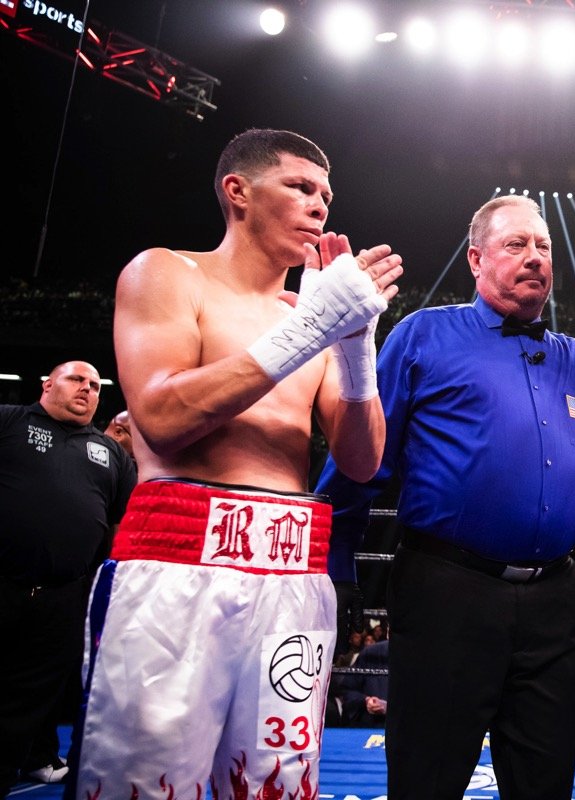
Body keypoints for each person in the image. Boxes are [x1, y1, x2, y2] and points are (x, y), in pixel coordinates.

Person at [316, 193, 575, 800]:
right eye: (516, 244)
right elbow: (363, 457)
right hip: (446, 594)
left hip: (554, 604)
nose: (535, 256)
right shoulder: (425, 334)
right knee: (426, 783)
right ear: (476, 259)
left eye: (543, 246)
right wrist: (337, 564)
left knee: (544, 785)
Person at [72, 128, 404, 799]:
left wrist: (354, 346)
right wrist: (311, 329)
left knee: (272, 785)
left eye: (326, 195)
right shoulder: (167, 273)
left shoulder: (308, 313)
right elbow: (161, 421)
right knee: (145, 783)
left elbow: (363, 462)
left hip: (291, 571)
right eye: (300, 187)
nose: (320, 206)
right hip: (176, 564)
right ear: (238, 192)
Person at [0, 362, 136, 796]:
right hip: (3, 581)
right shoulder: (9, 422)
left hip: (63, 595)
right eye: (77, 380)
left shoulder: (107, 450)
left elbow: (123, 519)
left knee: (30, 697)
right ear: (47, 384)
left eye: (95, 386)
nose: (87, 389)